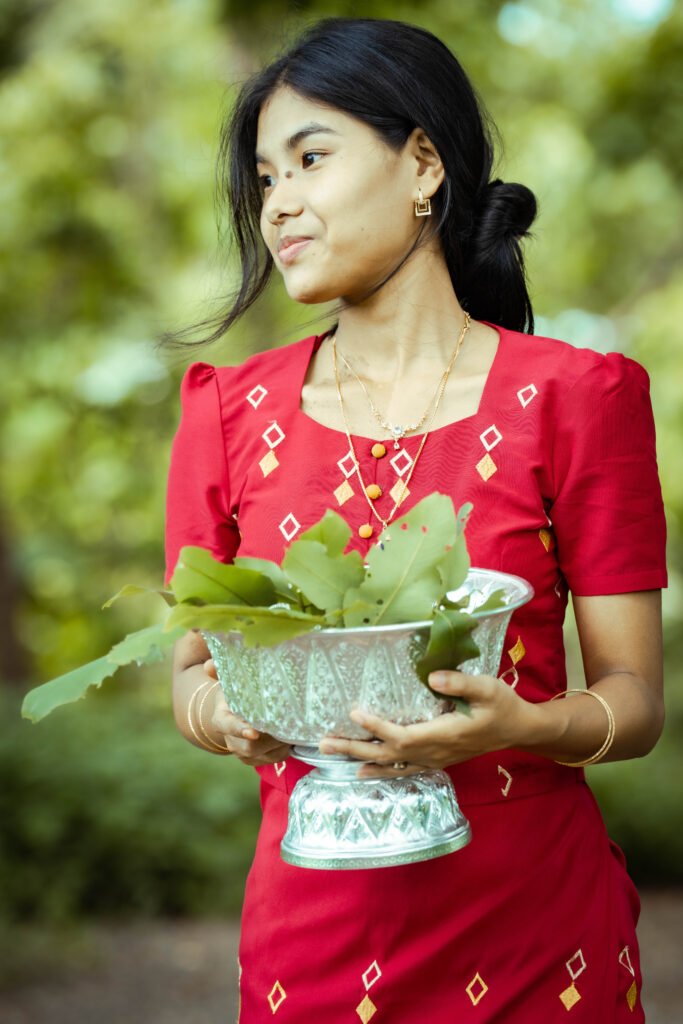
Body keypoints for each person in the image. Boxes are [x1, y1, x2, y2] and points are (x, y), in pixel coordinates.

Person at [162, 17, 667, 1023]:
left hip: (533, 939)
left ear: (422, 164)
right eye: (264, 179)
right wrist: (222, 715)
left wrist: (520, 725)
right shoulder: (226, 411)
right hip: (308, 934)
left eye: (310, 158)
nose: (281, 205)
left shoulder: (576, 396)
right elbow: (190, 673)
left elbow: (632, 700)